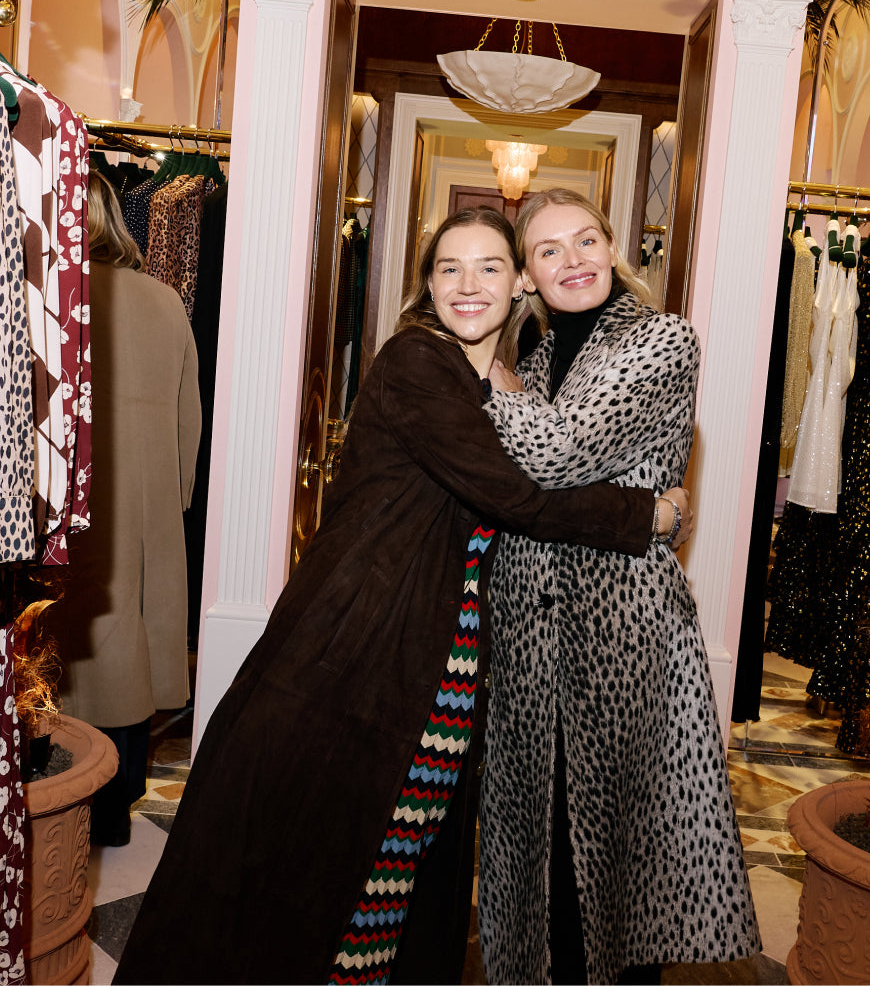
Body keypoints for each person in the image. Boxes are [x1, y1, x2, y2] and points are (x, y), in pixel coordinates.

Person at [114, 208, 691, 986]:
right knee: (321, 862)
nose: (468, 284)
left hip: (439, 655)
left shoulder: (510, 382)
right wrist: (645, 516)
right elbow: (515, 496)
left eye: (489, 266)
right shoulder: (418, 361)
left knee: (395, 858)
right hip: (356, 644)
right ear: (427, 284)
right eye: (449, 267)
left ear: (521, 283)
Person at [480, 188, 760, 985]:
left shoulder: (661, 341)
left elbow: (558, 456)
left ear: (612, 249)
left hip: (624, 628)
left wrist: (489, 379)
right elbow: (510, 492)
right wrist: (653, 509)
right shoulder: (536, 361)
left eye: (587, 240)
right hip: (530, 635)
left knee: (617, 850)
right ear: (527, 276)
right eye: (549, 249)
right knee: (543, 846)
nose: (573, 260)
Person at [49, 173, 200, 846]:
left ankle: (62, 811)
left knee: (75, 664)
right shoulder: (164, 300)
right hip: (148, 509)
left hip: (71, 507)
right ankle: (117, 806)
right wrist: (174, 499)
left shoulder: (52, 295)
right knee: (132, 648)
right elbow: (189, 418)